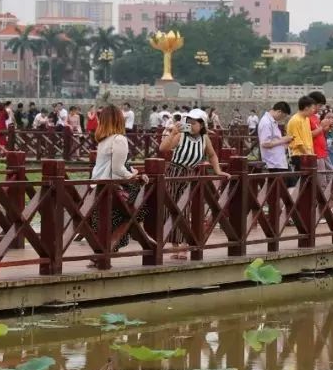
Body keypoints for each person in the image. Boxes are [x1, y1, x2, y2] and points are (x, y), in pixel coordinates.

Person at [159, 108, 230, 259]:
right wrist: (172, 133)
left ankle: (183, 246)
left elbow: (212, 155)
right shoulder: (181, 135)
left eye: (194, 123)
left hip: (190, 174)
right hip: (174, 173)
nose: (190, 125)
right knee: (169, 209)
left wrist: (218, 171)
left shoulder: (204, 139)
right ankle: (175, 246)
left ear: (202, 125)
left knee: (184, 209)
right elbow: (163, 148)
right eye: (188, 122)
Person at [88, 104, 149, 266]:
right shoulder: (119, 139)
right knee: (141, 207)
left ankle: (101, 253)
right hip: (111, 188)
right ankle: (145, 242)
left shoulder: (103, 140)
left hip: (97, 187)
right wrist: (134, 175)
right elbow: (118, 169)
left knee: (103, 223)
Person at [257, 101, 293, 172]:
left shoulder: (272, 121)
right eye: (284, 116)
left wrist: (285, 140)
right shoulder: (266, 123)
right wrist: (283, 140)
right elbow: (265, 143)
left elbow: (274, 139)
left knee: (290, 181)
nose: (283, 118)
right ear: (279, 112)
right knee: (289, 181)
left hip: (278, 160)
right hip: (273, 162)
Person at [287, 96, 318, 170]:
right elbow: (298, 143)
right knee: (300, 180)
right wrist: (309, 155)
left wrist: (311, 154)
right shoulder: (295, 120)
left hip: (308, 155)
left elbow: (308, 137)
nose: (314, 110)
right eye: (312, 108)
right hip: (299, 156)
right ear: (306, 108)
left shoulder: (306, 119)